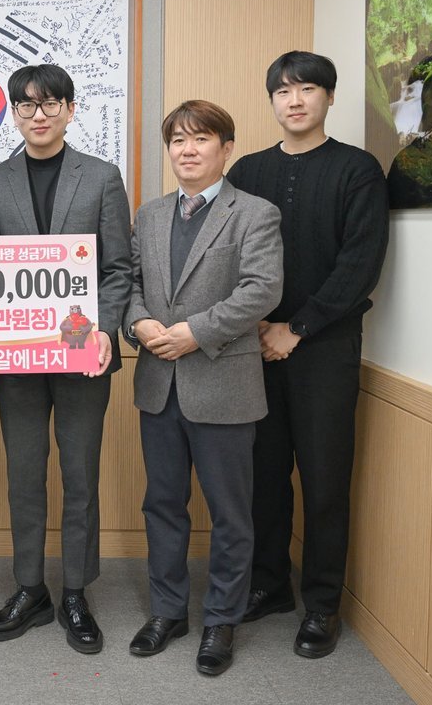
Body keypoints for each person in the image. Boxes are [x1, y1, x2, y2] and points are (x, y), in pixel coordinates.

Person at [226, 51, 389, 658]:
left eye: (308, 89)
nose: (295, 101)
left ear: (329, 97)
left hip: (325, 348)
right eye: (283, 91)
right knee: (263, 476)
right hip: (252, 346)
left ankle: (322, 604)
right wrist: (251, 325)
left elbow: (360, 263)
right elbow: (226, 252)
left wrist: (296, 328)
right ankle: (269, 583)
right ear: (271, 100)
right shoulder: (247, 170)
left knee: (324, 481)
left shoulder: (357, 170)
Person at [0, 64, 132, 654]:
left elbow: (118, 267)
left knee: (80, 474)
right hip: (16, 356)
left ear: (69, 109)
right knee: (24, 474)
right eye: (26, 105)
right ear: (13, 113)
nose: (38, 115)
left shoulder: (102, 177)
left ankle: (75, 591)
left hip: (82, 349)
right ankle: (29, 587)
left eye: (49, 104)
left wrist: (105, 330)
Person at [124, 100, 282, 675]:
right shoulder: (149, 214)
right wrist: (138, 324)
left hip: (224, 385)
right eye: (178, 141)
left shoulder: (255, 213)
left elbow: (262, 289)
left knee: (230, 513)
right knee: (162, 504)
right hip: (158, 385)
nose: (187, 150)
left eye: (201, 139)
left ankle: (221, 620)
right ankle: (168, 611)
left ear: (226, 148)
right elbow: (131, 283)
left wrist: (196, 332)